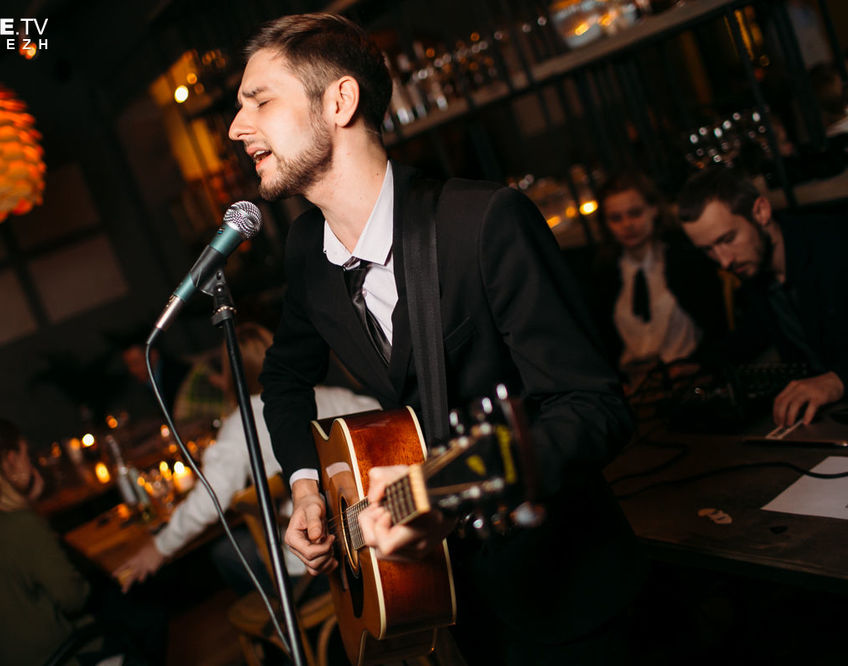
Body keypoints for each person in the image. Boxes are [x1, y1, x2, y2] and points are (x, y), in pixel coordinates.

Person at [228, 13, 644, 664]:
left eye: (259, 101)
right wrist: (308, 487)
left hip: (566, 596)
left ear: (339, 101)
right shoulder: (308, 250)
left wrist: (454, 489)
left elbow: (595, 408)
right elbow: (282, 379)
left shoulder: (482, 221)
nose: (236, 127)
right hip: (448, 605)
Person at [114, 322, 379, 593]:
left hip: (314, 567)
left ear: (231, 375)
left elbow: (209, 500)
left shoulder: (241, 424)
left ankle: (284, 615)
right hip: (371, 539)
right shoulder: (332, 396)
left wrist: (159, 547)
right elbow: (383, 417)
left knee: (225, 552)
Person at [677, 167, 848, 427]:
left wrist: (839, 379)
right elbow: (748, 338)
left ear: (761, 212)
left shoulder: (835, 243)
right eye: (708, 249)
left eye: (727, 239)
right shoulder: (756, 273)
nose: (724, 261)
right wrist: (696, 368)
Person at [0, 417, 92, 666]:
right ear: (11, 459)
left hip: (0, 657)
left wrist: (29, 505)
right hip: (50, 657)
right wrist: (32, 514)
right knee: (142, 616)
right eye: (26, 454)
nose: (30, 462)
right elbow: (74, 598)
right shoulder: (19, 524)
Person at [590, 172, 727, 386]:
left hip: (690, 381)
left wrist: (700, 366)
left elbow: (719, 328)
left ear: (653, 210)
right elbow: (603, 344)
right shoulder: (605, 274)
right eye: (616, 218)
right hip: (637, 388)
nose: (627, 225)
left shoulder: (685, 259)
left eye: (635, 213)